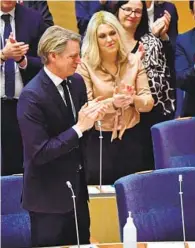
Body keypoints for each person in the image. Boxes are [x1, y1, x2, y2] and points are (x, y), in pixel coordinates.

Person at [17, 26, 107, 247]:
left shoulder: (76, 82)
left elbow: (80, 131)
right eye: (73, 56)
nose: (79, 61)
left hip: (76, 191)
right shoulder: (31, 96)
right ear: (52, 56)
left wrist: (93, 119)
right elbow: (40, 153)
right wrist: (79, 127)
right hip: (47, 199)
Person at [76, 11, 154, 185]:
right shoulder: (85, 66)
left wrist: (132, 99)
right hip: (100, 139)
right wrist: (114, 103)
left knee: (134, 192)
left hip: (132, 137)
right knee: (103, 195)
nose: (109, 39)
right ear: (94, 40)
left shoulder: (134, 61)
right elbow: (88, 107)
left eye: (112, 33)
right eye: (102, 36)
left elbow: (148, 102)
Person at [115, 0, 176, 171]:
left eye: (138, 11)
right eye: (127, 9)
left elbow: (159, 85)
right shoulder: (108, 40)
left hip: (146, 118)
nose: (132, 15)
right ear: (117, 10)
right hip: (113, 118)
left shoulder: (151, 42)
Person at [0, 0, 47, 175]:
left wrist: (22, 60)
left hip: (23, 104)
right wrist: (3, 55)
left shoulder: (33, 19)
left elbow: (47, 61)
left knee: (19, 165)